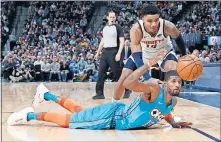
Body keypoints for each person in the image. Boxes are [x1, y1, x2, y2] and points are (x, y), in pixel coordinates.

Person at [7, 50, 192, 130]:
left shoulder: (172, 101)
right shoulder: (153, 90)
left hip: (114, 116)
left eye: (179, 82)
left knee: (80, 112)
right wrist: (146, 65)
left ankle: (45, 94)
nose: (177, 85)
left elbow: (163, 111)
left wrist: (173, 122)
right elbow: (128, 83)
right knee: (69, 122)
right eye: (173, 81)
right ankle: (28, 116)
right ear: (165, 82)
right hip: (111, 118)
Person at [113, 5, 187, 101]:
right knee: (123, 77)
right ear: (142, 19)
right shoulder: (136, 30)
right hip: (143, 54)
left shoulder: (168, 26)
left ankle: (167, 105)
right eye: (149, 21)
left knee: (172, 69)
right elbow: (136, 54)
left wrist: (184, 57)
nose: (154, 24)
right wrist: (147, 77)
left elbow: (178, 39)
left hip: (164, 52)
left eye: (156, 20)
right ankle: (114, 104)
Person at [92, 10, 128, 99]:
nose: (112, 18)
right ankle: (99, 93)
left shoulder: (118, 27)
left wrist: (119, 53)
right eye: (111, 17)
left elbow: (122, 41)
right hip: (105, 52)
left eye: (114, 17)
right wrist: (97, 53)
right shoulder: (104, 28)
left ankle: (127, 89)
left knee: (117, 73)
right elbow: (103, 41)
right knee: (101, 73)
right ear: (107, 17)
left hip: (114, 51)